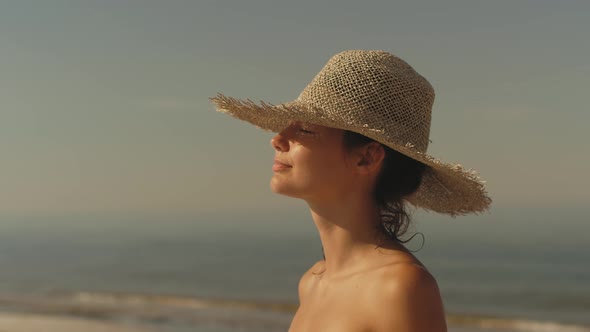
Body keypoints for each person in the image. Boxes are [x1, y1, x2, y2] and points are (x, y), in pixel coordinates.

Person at [210, 50, 491, 332]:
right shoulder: (312, 282)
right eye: (287, 127)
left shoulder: (400, 287)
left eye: (305, 131)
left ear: (366, 158)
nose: (278, 139)